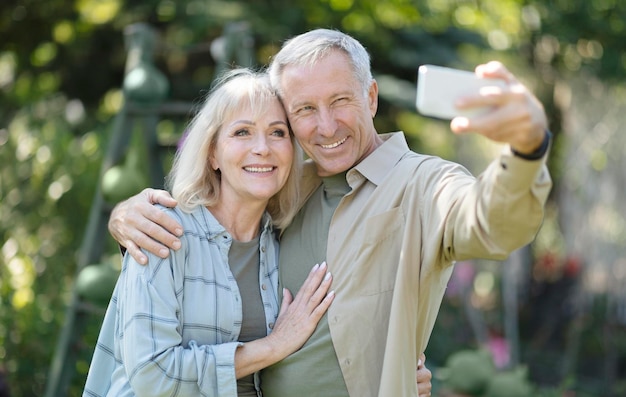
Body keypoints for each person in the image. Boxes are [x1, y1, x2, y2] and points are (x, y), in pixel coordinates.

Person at [108, 28, 552, 397]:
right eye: (303, 110)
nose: (325, 126)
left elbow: (491, 223)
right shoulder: (284, 186)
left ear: (371, 97)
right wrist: (124, 215)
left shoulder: (423, 184)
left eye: (340, 101)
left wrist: (527, 150)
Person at [83, 69, 336, 397]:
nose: (262, 148)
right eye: (242, 132)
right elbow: (152, 375)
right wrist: (273, 346)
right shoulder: (163, 230)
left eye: (277, 132)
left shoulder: (283, 242)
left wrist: (396, 374)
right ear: (212, 153)